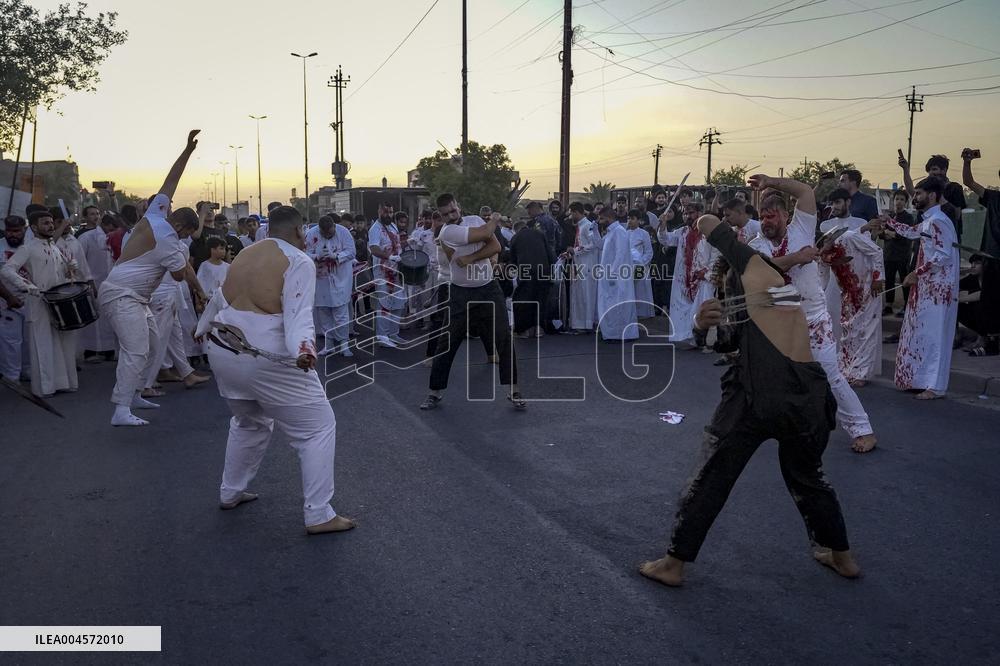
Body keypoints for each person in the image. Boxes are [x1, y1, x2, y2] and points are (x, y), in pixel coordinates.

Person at [639, 214, 859, 588]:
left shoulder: (753, 268)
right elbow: (726, 340)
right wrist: (703, 325)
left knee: (712, 477)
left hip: (756, 397)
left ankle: (674, 564)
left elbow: (712, 226)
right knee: (809, 479)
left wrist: (701, 219)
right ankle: (842, 556)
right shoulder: (782, 294)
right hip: (808, 398)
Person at [194, 205, 355, 535]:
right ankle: (319, 513)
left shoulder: (245, 254)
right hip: (262, 352)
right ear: (299, 232)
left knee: (249, 420)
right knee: (317, 427)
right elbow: (298, 318)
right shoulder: (298, 261)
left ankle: (231, 491)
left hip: (222, 349)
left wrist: (201, 328)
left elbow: (218, 299)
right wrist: (306, 350)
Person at [748, 175, 877, 453]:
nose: (766, 222)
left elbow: (805, 190)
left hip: (814, 322)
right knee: (780, 381)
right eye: (762, 217)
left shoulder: (802, 229)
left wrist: (771, 181)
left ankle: (862, 430)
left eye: (771, 216)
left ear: (785, 215)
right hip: (781, 327)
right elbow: (764, 269)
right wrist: (797, 258)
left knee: (830, 376)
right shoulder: (756, 245)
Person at [98, 130, 204, 426]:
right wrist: (183, 256)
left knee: (155, 346)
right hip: (122, 295)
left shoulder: (155, 216)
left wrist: (187, 152)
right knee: (136, 350)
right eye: (186, 233)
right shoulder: (169, 240)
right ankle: (120, 410)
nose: (186, 238)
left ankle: (133, 396)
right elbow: (179, 275)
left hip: (136, 297)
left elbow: (171, 180)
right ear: (181, 224)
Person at [419, 194, 524, 411]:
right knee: (447, 343)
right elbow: (487, 234)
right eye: (446, 214)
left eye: (453, 210)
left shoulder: (475, 220)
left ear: (458, 205)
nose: (451, 215)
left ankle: (513, 390)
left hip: (488, 288)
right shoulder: (448, 231)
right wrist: (494, 220)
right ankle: (434, 392)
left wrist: (470, 258)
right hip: (461, 293)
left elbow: (495, 247)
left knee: (504, 338)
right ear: (441, 215)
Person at [885, 177, 960, 398]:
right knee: (923, 334)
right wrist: (888, 220)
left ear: (933, 195)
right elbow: (911, 232)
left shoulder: (939, 221)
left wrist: (914, 273)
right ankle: (919, 379)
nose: (914, 197)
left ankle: (935, 387)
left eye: (918, 193)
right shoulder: (929, 220)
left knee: (936, 337)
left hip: (939, 290)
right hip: (927, 287)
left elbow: (942, 256)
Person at [1, 211, 80, 396]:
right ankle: (45, 387)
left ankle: (63, 383)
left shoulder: (55, 247)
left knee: (62, 343)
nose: (50, 226)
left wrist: (70, 269)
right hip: (39, 301)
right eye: (45, 223)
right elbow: (7, 270)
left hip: (58, 301)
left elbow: (62, 273)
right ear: (34, 227)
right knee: (42, 344)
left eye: (51, 223)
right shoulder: (27, 248)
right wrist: (27, 285)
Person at [820, 223, 884, 387]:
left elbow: (877, 251)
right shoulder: (823, 255)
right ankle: (847, 369)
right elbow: (823, 279)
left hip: (868, 287)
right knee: (849, 330)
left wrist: (878, 278)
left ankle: (862, 373)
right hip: (848, 292)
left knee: (867, 331)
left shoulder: (849, 237)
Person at [659, 203, 719, 348]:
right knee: (683, 309)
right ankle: (689, 338)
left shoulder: (709, 231)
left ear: (700, 213)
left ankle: (706, 342)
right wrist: (662, 225)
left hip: (703, 278)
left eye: (691, 213)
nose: (687, 216)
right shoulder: (682, 231)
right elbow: (665, 239)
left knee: (703, 308)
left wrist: (708, 273)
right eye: (685, 213)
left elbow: (716, 254)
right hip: (683, 278)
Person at [960, 147, 1000, 356]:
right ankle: (989, 341)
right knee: (989, 302)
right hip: (992, 261)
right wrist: (967, 163)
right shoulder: (993, 197)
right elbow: (969, 182)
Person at [305, 214, 356, 357]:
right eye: (324, 233)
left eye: (330, 233)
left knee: (341, 314)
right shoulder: (311, 234)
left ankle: (344, 345)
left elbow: (352, 252)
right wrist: (316, 256)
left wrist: (337, 256)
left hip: (341, 279)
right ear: (320, 230)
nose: (327, 235)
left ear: (334, 226)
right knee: (324, 312)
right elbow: (304, 253)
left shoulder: (343, 232)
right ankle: (329, 345)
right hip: (321, 279)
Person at [596, 207, 638, 341]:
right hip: (609, 274)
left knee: (619, 304)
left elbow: (621, 254)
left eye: (601, 218)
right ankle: (611, 333)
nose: (599, 221)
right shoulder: (610, 232)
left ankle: (621, 334)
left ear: (609, 218)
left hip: (618, 276)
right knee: (609, 304)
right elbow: (600, 245)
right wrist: (594, 232)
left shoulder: (619, 232)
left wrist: (612, 273)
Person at [510, 218, 555, 338]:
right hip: (543, 271)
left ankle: (524, 331)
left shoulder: (515, 238)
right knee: (541, 299)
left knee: (522, 299)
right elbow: (551, 256)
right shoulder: (540, 233)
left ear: (516, 230)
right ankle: (539, 329)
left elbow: (513, 260)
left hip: (526, 271)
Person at [367, 206, 406, 347]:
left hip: (396, 271)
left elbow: (396, 244)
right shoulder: (375, 229)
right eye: (385, 212)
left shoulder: (393, 226)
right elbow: (374, 249)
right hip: (383, 272)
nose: (388, 214)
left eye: (390, 211)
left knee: (399, 303)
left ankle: (393, 334)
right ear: (379, 212)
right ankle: (382, 337)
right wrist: (390, 257)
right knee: (384, 305)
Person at [0, 216, 30, 382]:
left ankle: (26, 370)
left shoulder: (30, 246)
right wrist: (9, 297)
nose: (13, 235)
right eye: (9, 231)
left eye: (17, 231)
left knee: (29, 340)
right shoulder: (0, 247)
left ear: (24, 230)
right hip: (6, 302)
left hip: (30, 300)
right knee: (11, 341)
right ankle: (12, 377)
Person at [880, 190, 918, 316]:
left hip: (902, 255)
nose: (899, 202)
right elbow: (882, 234)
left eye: (902, 199)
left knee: (904, 281)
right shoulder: (889, 216)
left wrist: (890, 233)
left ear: (906, 202)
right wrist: (888, 233)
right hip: (889, 254)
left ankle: (906, 306)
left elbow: (905, 235)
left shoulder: (908, 218)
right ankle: (889, 305)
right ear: (893, 200)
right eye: (897, 199)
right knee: (889, 281)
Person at [568, 202, 601, 332]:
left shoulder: (588, 226)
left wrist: (575, 251)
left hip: (587, 266)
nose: (571, 216)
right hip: (579, 264)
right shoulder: (581, 226)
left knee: (586, 294)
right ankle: (580, 324)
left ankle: (587, 324)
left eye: (571, 213)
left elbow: (594, 244)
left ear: (577, 212)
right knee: (579, 294)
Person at [628, 209, 655, 318]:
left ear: (639, 220)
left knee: (641, 290)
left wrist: (641, 264)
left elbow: (649, 251)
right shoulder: (625, 233)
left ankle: (643, 313)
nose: (630, 221)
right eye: (628, 218)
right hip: (628, 266)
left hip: (641, 266)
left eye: (632, 218)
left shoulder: (644, 234)